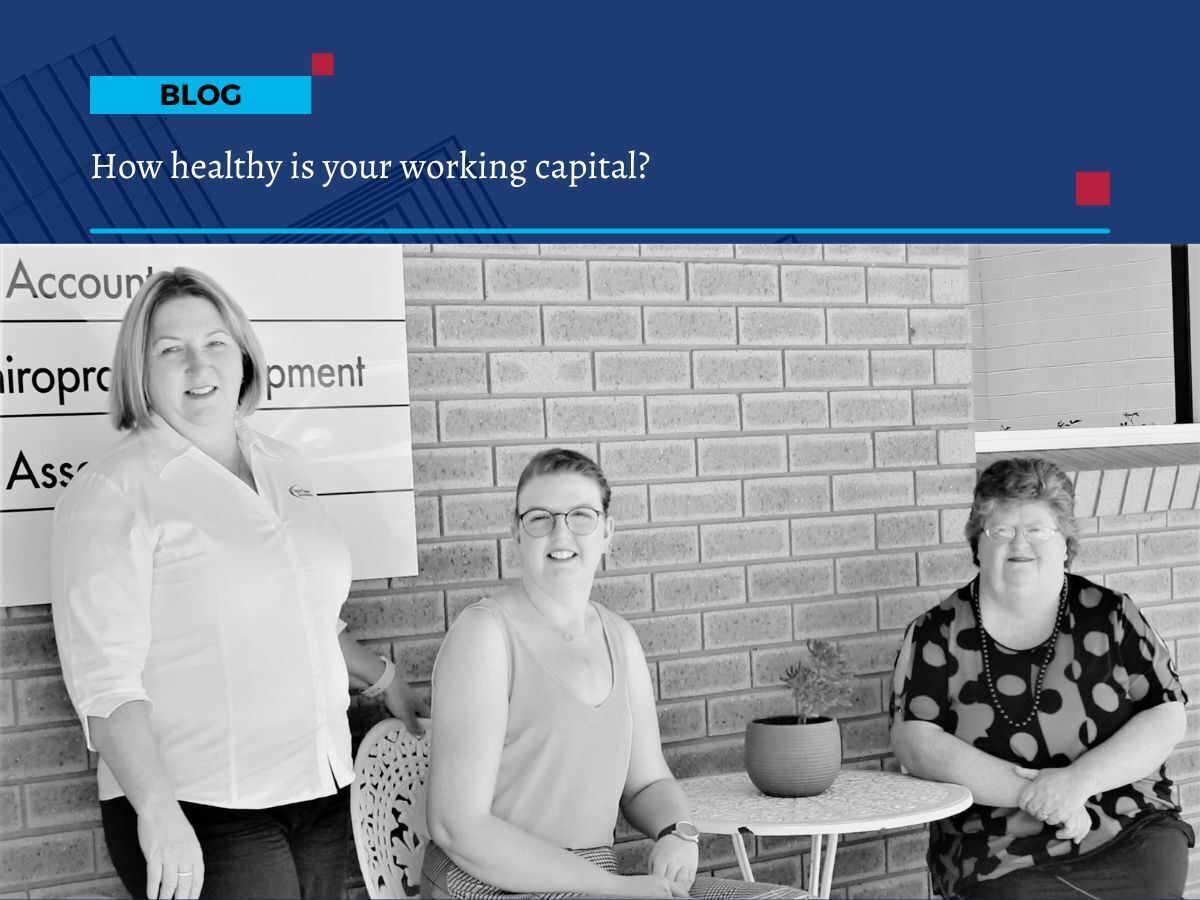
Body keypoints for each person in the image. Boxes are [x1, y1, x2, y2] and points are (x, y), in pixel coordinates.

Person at [50, 267, 428, 900]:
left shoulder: (284, 463)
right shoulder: (114, 490)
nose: (199, 364)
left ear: (243, 354)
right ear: (139, 372)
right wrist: (158, 812)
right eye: (170, 349)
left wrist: (384, 679)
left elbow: (305, 613)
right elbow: (103, 682)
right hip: (202, 808)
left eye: (215, 342)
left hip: (320, 787)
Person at [422, 449, 806, 899]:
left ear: (607, 532)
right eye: (540, 517)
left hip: (594, 884)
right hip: (489, 881)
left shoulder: (619, 638)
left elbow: (648, 782)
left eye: (582, 515)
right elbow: (456, 826)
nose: (561, 532)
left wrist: (678, 831)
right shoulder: (484, 636)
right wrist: (614, 889)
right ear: (516, 532)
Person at [890, 457, 1192, 899]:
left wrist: (1077, 784)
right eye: (1001, 530)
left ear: (1065, 543)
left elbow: (1166, 716)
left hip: (1124, 820)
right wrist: (1044, 796)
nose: (1019, 543)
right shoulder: (937, 632)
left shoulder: (1111, 615)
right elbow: (916, 742)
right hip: (994, 839)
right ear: (977, 544)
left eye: (1037, 530)